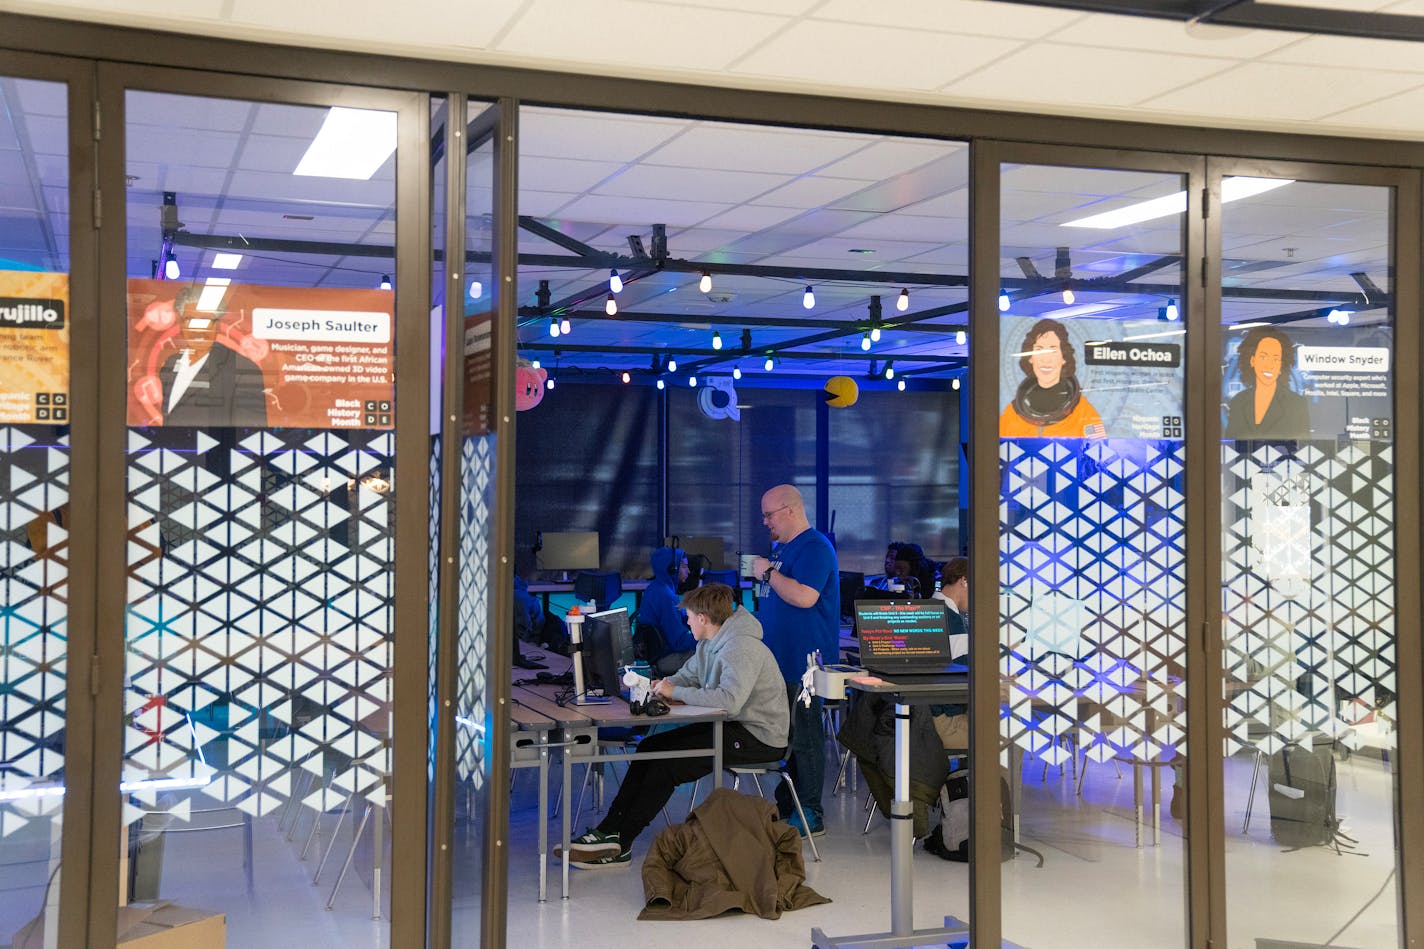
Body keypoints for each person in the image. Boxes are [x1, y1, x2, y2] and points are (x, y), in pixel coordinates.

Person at [561, 583, 789, 867]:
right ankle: (609, 830)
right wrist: (662, 687)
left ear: (703, 618)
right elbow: (687, 677)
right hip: (733, 727)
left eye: (690, 617)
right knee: (650, 747)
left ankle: (620, 844)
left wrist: (675, 693)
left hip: (758, 737)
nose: (687, 621)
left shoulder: (741, 647)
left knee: (666, 765)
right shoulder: (710, 643)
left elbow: (730, 701)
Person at [752, 484, 840, 838]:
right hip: (783, 663)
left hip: (806, 666)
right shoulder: (787, 551)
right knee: (789, 737)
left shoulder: (815, 548)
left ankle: (810, 812)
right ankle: (788, 803)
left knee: (806, 738)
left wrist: (767, 573)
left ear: (789, 510)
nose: (765, 522)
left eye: (769, 515)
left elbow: (805, 597)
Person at [158, 288, 269, 427]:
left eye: (205, 321)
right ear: (181, 326)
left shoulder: (242, 369)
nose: (197, 329)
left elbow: (250, 433)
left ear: (216, 326)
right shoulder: (170, 364)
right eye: (190, 320)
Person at [999, 318, 1105, 439]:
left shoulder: (1086, 414)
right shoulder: (1011, 415)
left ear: (1064, 357)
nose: (1046, 359)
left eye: (1053, 350)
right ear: (1030, 358)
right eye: (1039, 350)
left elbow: (1098, 452)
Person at [1224, 327, 1311, 439]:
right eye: (1263, 357)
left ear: (1281, 365)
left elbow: (1303, 448)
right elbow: (1231, 445)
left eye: (1275, 359)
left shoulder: (1296, 404)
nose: (1269, 365)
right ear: (1252, 360)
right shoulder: (1238, 401)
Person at [930, 555, 970, 751]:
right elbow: (965, 674)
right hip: (946, 721)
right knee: (1011, 732)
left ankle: (968, 780)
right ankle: (997, 783)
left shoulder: (932, 609)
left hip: (928, 716)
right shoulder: (951, 619)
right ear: (964, 580)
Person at [638, 546, 694, 675]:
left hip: (658, 656)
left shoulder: (657, 588)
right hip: (665, 660)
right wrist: (709, 636)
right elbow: (679, 642)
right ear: (672, 569)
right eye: (684, 566)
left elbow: (678, 619)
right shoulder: (666, 597)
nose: (689, 571)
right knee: (711, 651)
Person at [872, 541, 937, 598]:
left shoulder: (935, 583)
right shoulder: (878, 584)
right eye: (887, 557)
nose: (887, 561)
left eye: (892, 558)